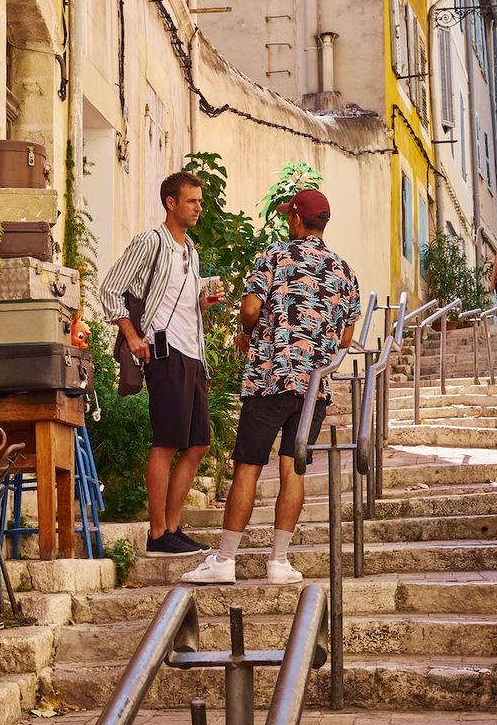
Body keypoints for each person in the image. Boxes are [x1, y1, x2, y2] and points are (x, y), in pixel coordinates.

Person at [181, 188, 360, 586]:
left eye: (288, 217)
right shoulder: (345, 271)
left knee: (248, 466)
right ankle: (279, 562)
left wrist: (249, 332)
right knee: (292, 468)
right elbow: (347, 337)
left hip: (271, 377)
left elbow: (249, 308)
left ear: (297, 219)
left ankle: (226, 560)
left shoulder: (275, 255)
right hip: (314, 388)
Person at [99, 171, 212, 557]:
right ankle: (158, 533)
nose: (198, 207)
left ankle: (173, 528)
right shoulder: (151, 241)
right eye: (192, 200)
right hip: (165, 353)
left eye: (200, 201)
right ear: (171, 202)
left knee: (198, 444)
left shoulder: (191, 251)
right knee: (166, 442)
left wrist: (202, 302)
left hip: (193, 355)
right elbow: (110, 288)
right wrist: (132, 336)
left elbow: (179, 300)